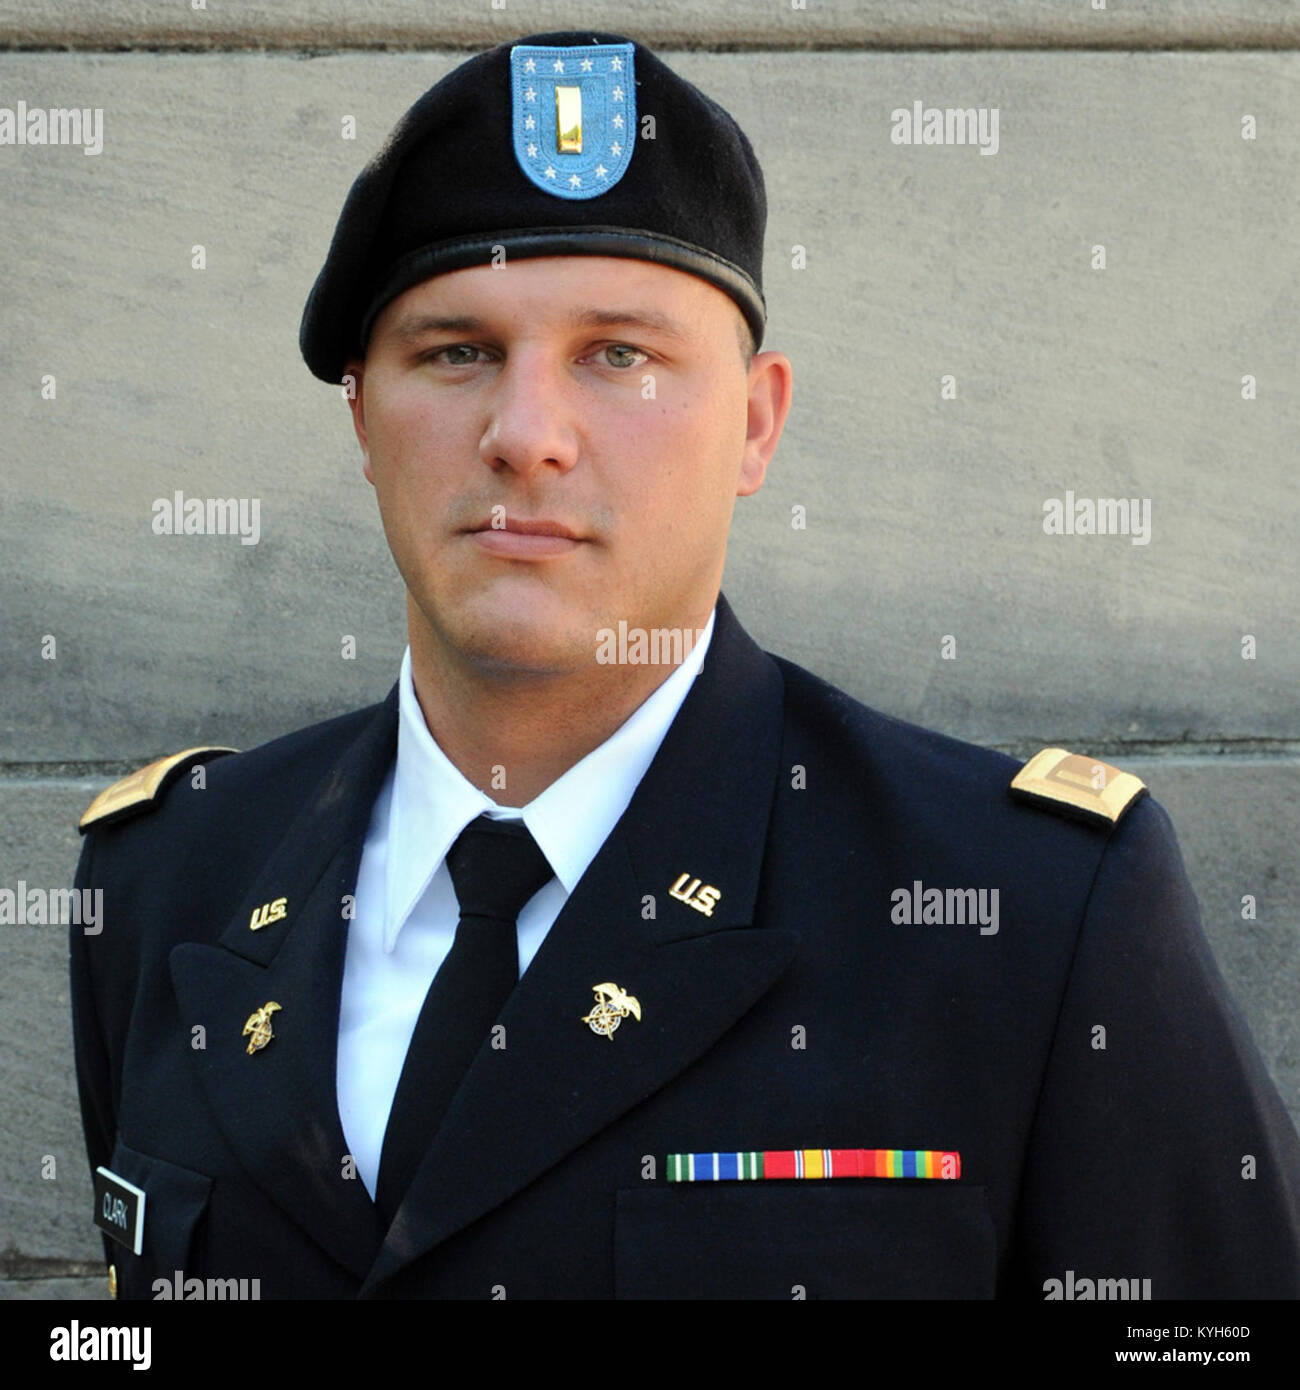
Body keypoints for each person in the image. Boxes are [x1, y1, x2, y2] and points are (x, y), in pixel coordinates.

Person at [70, 28, 1300, 1301]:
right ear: (363, 420)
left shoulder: (1028, 912)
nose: (525, 435)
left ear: (756, 422)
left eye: (620, 354)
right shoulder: (174, 879)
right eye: (456, 350)